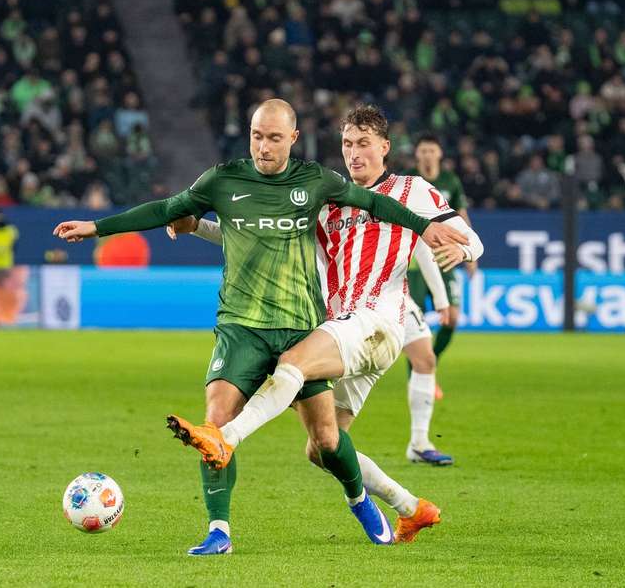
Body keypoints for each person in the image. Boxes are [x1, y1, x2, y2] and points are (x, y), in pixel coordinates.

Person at [52, 99, 469, 555]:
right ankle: (219, 531)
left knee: (326, 441)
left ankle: (363, 501)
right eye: (256, 136)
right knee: (224, 421)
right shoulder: (223, 179)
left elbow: (375, 202)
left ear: (293, 139)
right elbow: (177, 211)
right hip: (242, 326)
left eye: (273, 138)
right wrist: (101, 227)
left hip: (303, 326)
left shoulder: (318, 183)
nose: (263, 146)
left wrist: (427, 229)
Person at [166, 104, 483, 540]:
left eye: (364, 144)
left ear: (384, 147)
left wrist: (462, 251)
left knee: (292, 362)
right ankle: (412, 507)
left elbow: (473, 239)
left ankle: (227, 437)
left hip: (377, 323)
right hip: (343, 328)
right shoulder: (331, 199)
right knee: (323, 446)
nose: (354, 153)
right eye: (348, 144)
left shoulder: (412, 190)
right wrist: (197, 226)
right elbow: (257, 233)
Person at [405, 134, 474, 399]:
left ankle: (429, 365)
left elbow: (461, 216)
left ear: (439, 153)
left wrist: (471, 254)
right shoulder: (409, 180)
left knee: (452, 318)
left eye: (431, 150)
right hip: (415, 262)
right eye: (423, 151)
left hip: (445, 256)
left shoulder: (450, 181)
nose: (427, 155)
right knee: (416, 324)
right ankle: (418, 378)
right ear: (417, 154)